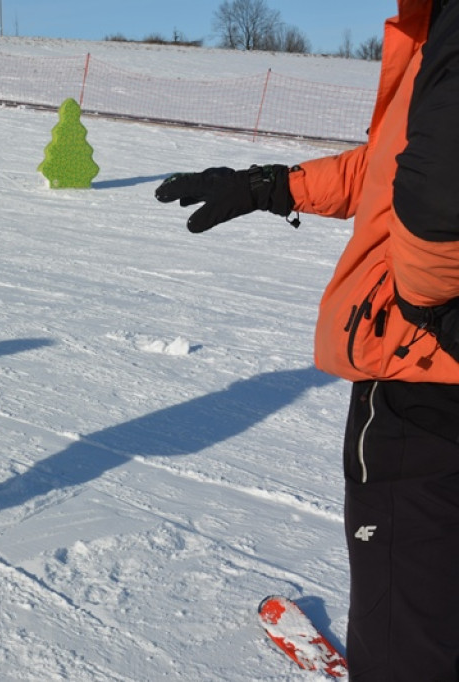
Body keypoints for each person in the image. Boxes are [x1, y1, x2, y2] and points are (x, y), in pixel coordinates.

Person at [155, 0, 459, 678]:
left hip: (423, 381)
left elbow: (437, 197)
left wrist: (425, 299)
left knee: (407, 636)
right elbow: (395, 166)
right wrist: (276, 185)